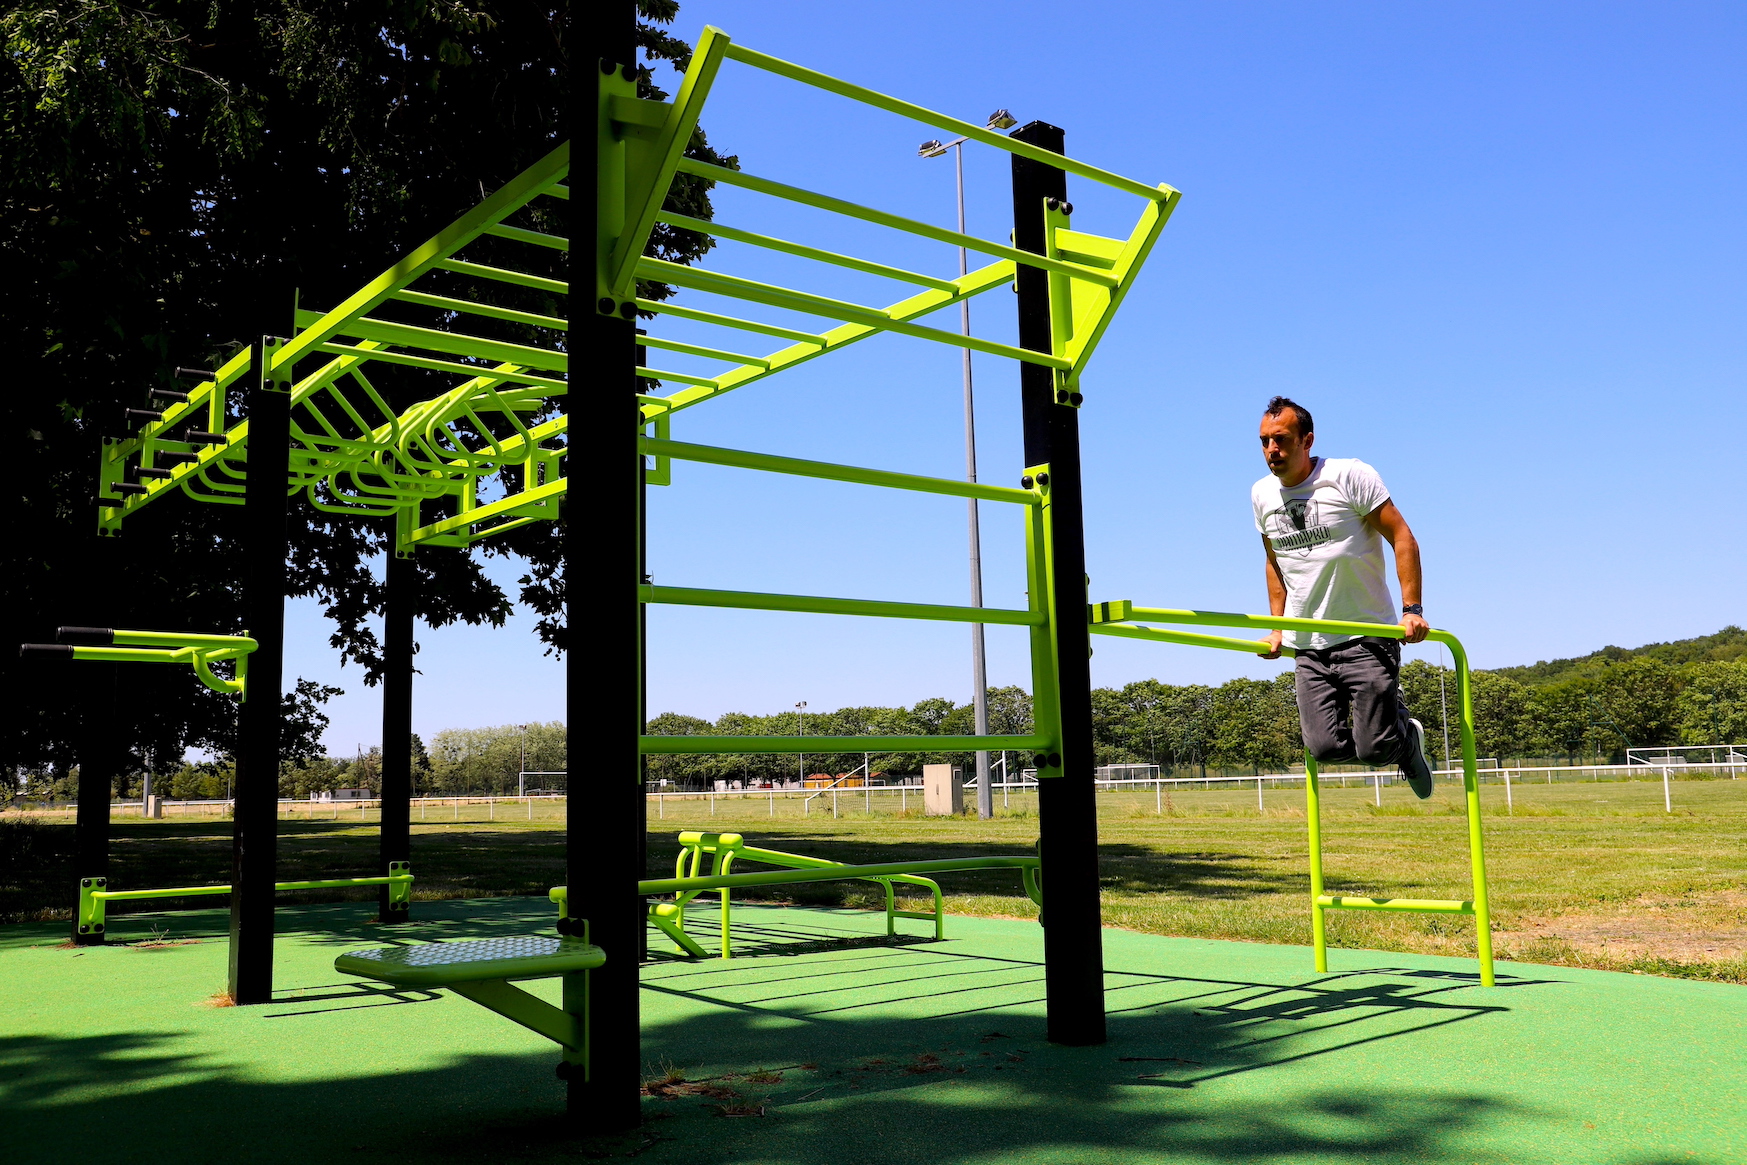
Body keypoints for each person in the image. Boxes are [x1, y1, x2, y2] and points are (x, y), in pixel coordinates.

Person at [1251, 396, 1436, 797]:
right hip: (1309, 643)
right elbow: (1274, 563)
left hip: (1365, 634)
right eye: (1264, 441)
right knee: (1324, 749)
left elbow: (1402, 537)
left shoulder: (1348, 475)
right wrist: (1276, 628)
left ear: (1307, 440)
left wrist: (1412, 610)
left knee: (1374, 749)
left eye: (1280, 439)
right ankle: (1392, 731)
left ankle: (1404, 739)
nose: (1271, 450)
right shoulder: (1262, 494)